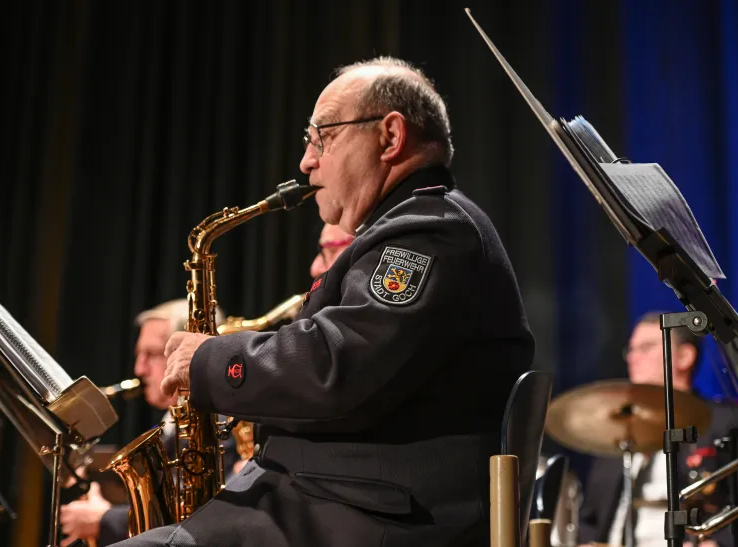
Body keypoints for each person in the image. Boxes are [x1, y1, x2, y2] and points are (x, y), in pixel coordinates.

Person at [114, 56, 535, 547]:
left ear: (390, 136)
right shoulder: (409, 228)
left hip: (357, 519)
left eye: (322, 137)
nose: (306, 161)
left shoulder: (431, 231)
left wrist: (208, 360)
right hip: (321, 504)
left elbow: (337, 364)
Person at [59, 300, 238, 547]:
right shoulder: (170, 423)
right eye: (138, 356)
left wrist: (103, 519)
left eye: (151, 355)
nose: (138, 369)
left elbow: (196, 514)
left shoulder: (219, 426)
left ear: (187, 353)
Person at [577, 311, 738, 547]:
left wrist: (716, 543)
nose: (633, 358)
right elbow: (589, 519)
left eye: (645, 348)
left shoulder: (724, 422)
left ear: (684, 357)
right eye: (631, 350)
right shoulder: (617, 429)